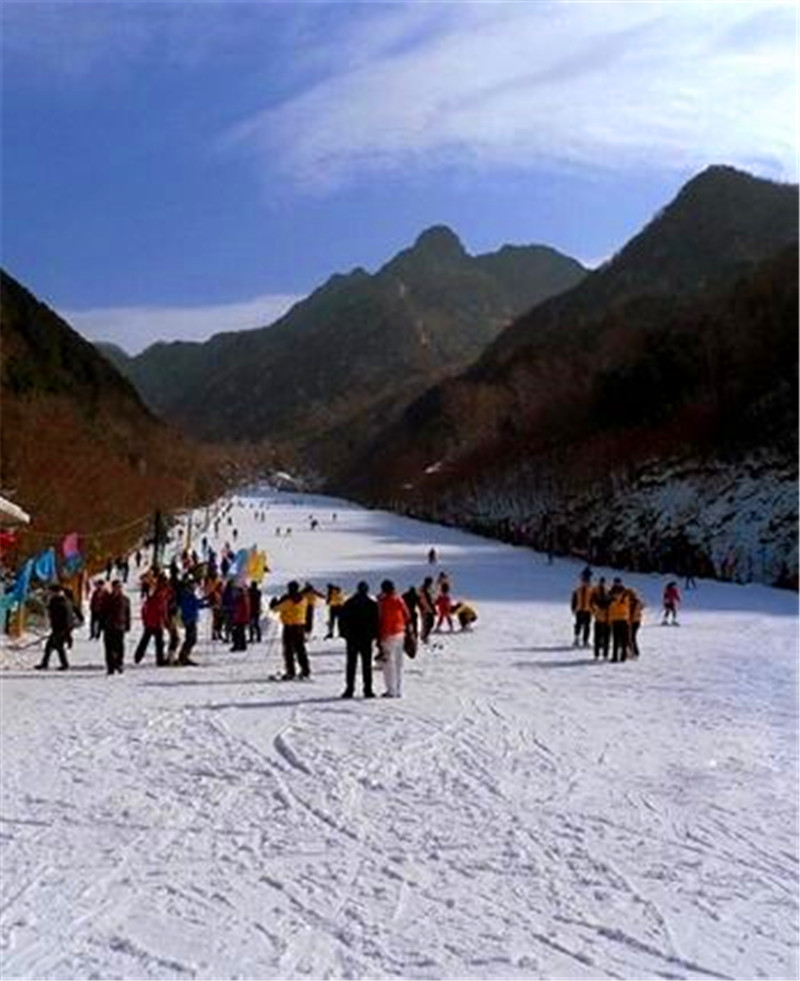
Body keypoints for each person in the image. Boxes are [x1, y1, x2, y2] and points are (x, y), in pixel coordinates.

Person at [339, 581, 378, 699]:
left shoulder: (349, 603)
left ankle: (349, 689)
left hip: (352, 638)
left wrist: (345, 635)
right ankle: (368, 689)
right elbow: (376, 622)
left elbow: (342, 621)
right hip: (366, 639)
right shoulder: (372, 604)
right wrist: (373, 635)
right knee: (366, 665)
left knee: (351, 664)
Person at [377, 580, 410, 698]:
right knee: (398, 662)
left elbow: (381, 619)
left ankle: (391, 690)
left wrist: (380, 637)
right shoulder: (399, 599)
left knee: (388, 663)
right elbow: (407, 614)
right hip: (400, 632)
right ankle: (398, 689)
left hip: (388, 634)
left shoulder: (384, 602)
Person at [270, 581, 310, 680]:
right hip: (300, 626)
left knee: (288, 651)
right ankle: (305, 670)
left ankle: (291, 672)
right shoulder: (304, 600)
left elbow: (275, 609)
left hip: (289, 627)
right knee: (301, 650)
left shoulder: (289, 601)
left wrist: (274, 603)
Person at [35, 585, 73, 670]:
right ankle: (48, 663)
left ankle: (62, 664)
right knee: (54, 646)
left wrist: (67, 631)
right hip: (57, 628)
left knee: (55, 646)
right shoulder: (56, 600)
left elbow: (68, 617)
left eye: (51, 592)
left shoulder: (63, 602)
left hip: (61, 628)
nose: (49, 593)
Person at [134, 574, 169, 665]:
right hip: (155, 620)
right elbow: (160, 608)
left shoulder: (160, 591)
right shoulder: (160, 593)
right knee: (156, 641)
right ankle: (159, 660)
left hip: (152, 620)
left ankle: (138, 656)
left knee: (149, 639)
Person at [100, 579, 131, 675]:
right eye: (116, 587)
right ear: (112, 588)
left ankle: (119, 663)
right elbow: (102, 612)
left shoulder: (125, 599)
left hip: (119, 625)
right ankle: (110, 667)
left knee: (119, 646)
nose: (118, 589)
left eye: (119, 587)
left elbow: (127, 613)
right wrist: (102, 624)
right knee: (109, 647)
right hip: (108, 625)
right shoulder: (107, 599)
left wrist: (128, 625)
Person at [177, 578, 206, 665]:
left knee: (191, 638)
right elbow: (190, 606)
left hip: (191, 618)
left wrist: (206, 602)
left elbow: (197, 604)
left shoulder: (190, 595)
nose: (194, 587)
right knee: (191, 638)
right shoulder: (186, 595)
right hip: (189, 619)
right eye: (193, 586)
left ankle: (184, 656)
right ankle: (183, 656)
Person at [608, 577, 630, 662]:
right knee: (615, 639)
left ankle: (623, 656)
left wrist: (615, 600)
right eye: (615, 582)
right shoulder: (610, 592)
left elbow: (625, 603)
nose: (617, 584)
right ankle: (614, 657)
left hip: (623, 617)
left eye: (618, 582)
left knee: (624, 638)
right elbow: (609, 604)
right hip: (614, 618)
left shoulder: (625, 592)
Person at [589, 576, 610, 660]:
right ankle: (596, 655)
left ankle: (605, 654)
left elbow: (611, 604)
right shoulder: (595, 590)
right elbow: (591, 602)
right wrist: (594, 611)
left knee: (607, 638)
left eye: (603, 582)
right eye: (601, 582)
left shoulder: (608, 591)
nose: (602, 583)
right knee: (597, 638)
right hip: (598, 618)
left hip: (607, 619)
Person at [571, 570, 592, 648]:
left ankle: (585, 640)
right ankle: (576, 638)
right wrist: (573, 608)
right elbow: (574, 600)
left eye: (586, 582)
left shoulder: (591, 591)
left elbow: (593, 601)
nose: (585, 583)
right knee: (578, 625)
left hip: (588, 610)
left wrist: (593, 609)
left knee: (587, 626)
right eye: (584, 581)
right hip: (579, 610)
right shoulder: (577, 590)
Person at [230, 583, 250, 651]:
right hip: (240, 618)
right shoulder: (242, 598)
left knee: (237, 632)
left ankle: (238, 645)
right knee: (240, 633)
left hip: (240, 619)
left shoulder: (241, 599)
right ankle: (241, 645)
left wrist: (235, 617)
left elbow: (240, 609)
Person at [628, 588, 645, 658]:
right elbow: (642, 606)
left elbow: (633, 613)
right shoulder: (636, 601)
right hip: (637, 621)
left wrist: (630, 621)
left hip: (633, 621)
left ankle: (634, 652)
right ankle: (634, 651)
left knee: (631, 637)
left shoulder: (633, 602)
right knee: (632, 637)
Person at [419, 576, 436, 643]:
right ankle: (424, 637)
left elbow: (432, 598)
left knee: (430, 623)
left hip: (428, 609)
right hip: (425, 609)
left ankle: (424, 636)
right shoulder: (423, 590)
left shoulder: (428, 589)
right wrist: (430, 609)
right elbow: (424, 601)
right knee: (427, 624)